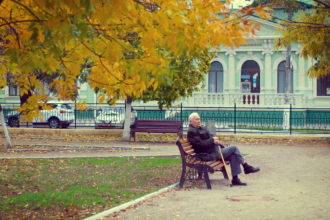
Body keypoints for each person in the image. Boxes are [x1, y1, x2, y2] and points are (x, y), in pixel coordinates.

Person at [187, 112, 260, 186]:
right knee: (234, 148)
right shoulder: (192, 131)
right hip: (207, 154)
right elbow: (200, 144)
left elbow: (210, 136)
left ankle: (235, 179)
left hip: (213, 150)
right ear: (191, 121)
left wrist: (214, 138)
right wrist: (212, 140)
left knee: (233, 156)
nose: (199, 121)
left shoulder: (201, 128)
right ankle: (246, 167)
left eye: (199, 119)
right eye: (197, 119)